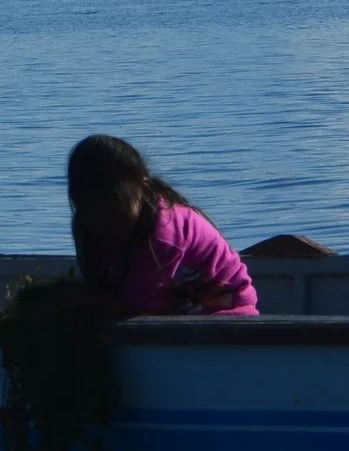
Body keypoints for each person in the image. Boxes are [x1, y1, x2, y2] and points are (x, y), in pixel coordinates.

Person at [64, 134, 258, 317]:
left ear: (143, 188)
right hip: (179, 311)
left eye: (116, 207)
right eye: (92, 208)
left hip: (227, 312)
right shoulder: (90, 227)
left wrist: (73, 299)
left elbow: (137, 306)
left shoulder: (163, 232)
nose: (106, 219)